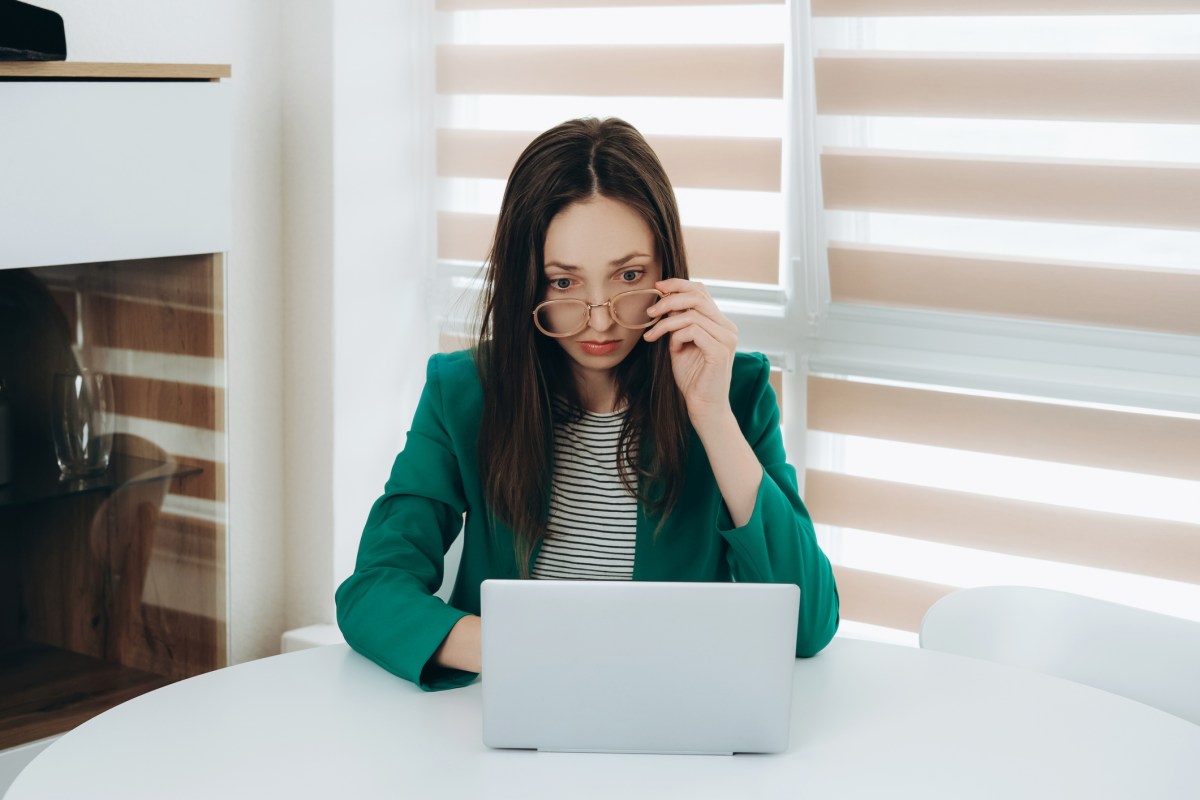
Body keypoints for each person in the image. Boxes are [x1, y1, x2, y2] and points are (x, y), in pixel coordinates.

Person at [335, 117, 839, 691]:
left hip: (672, 708)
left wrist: (711, 416)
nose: (599, 320)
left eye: (628, 275)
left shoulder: (735, 391)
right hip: (510, 707)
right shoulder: (463, 391)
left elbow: (807, 626)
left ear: (667, 272)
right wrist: (522, 650)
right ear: (526, 280)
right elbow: (372, 590)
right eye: (563, 283)